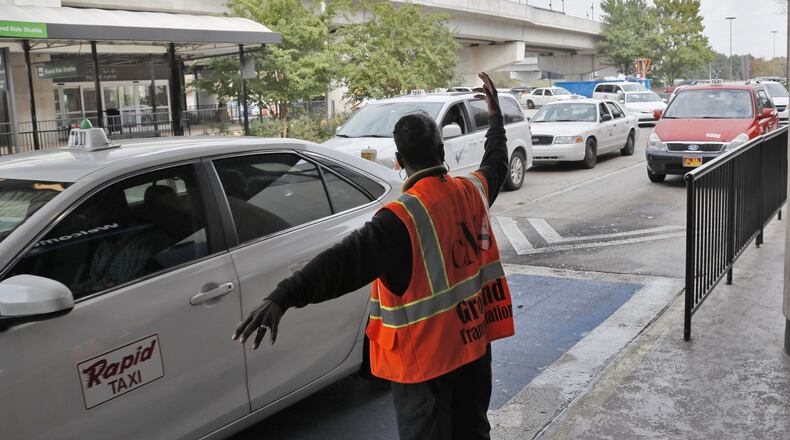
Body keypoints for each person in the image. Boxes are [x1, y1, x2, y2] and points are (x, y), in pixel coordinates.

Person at [232, 72, 516, 440]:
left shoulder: (401, 220)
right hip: (474, 352)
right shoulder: (472, 191)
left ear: (399, 161)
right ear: (442, 152)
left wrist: (284, 296)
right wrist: (494, 119)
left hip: (425, 370)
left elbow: (342, 261)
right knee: (474, 432)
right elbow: (496, 163)